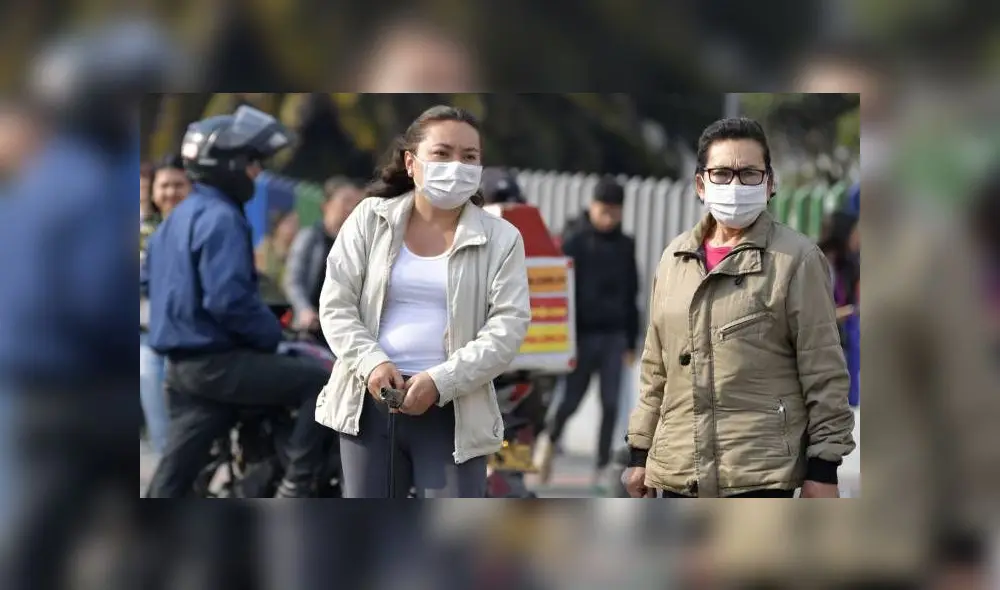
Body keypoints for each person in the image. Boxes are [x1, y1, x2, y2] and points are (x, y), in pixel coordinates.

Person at [622, 117, 856, 498]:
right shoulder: (674, 259)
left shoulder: (796, 259)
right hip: (680, 470)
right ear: (701, 184)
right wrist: (639, 452)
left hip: (760, 474)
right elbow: (655, 369)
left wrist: (824, 468)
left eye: (749, 173)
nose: (735, 185)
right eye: (722, 173)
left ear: (770, 182)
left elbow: (824, 370)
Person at [315, 105, 531, 498]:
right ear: (411, 163)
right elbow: (336, 303)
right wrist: (371, 362)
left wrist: (439, 380)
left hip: (454, 414)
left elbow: (507, 328)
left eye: (469, 157)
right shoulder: (369, 218)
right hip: (368, 406)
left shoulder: (503, 238)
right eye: (442, 153)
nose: (457, 166)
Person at [144, 105, 330, 498]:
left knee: (173, 480)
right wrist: (273, 335)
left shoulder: (174, 220)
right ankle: (297, 487)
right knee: (322, 380)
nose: (256, 173)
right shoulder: (222, 217)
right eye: (252, 163)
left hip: (181, 371)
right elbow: (228, 302)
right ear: (227, 164)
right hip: (219, 365)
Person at [540, 176, 639, 487]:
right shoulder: (575, 243)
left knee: (611, 403)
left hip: (614, 337)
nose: (608, 216)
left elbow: (631, 293)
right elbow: (560, 294)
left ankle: (600, 469)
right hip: (580, 337)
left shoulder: (626, 246)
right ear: (592, 207)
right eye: (603, 209)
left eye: (614, 210)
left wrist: (631, 339)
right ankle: (549, 440)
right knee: (570, 400)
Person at [140, 155, 192, 454]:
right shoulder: (150, 233)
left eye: (178, 185)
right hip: (149, 336)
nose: (171, 192)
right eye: (164, 185)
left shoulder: (202, 226)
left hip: (187, 341)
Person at [283, 176, 365, 340]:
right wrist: (304, 310)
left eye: (356, 204)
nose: (350, 208)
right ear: (326, 205)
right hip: (310, 327)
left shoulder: (358, 246)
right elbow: (293, 280)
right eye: (345, 201)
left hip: (343, 331)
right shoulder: (310, 238)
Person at [255, 208, 299, 287]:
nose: (293, 228)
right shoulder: (265, 248)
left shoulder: (296, 253)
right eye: (289, 223)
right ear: (278, 225)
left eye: (296, 225)